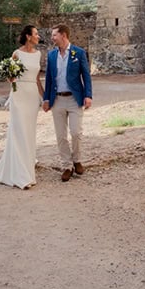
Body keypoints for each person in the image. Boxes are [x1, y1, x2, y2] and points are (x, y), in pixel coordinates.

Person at [0, 25, 43, 189]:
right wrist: (10, 76)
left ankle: (27, 162)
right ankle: (21, 173)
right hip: (19, 94)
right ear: (28, 36)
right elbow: (10, 78)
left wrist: (44, 97)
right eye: (36, 34)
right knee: (18, 130)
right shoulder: (17, 53)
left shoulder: (38, 54)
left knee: (29, 130)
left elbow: (37, 78)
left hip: (32, 96)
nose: (38, 36)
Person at [42, 24, 92, 182]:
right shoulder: (51, 55)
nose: (52, 38)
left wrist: (88, 95)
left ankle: (77, 160)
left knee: (76, 132)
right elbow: (49, 79)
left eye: (54, 35)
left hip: (74, 99)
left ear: (63, 35)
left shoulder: (79, 53)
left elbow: (86, 76)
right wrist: (46, 99)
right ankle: (67, 166)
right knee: (61, 135)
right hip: (57, 100)